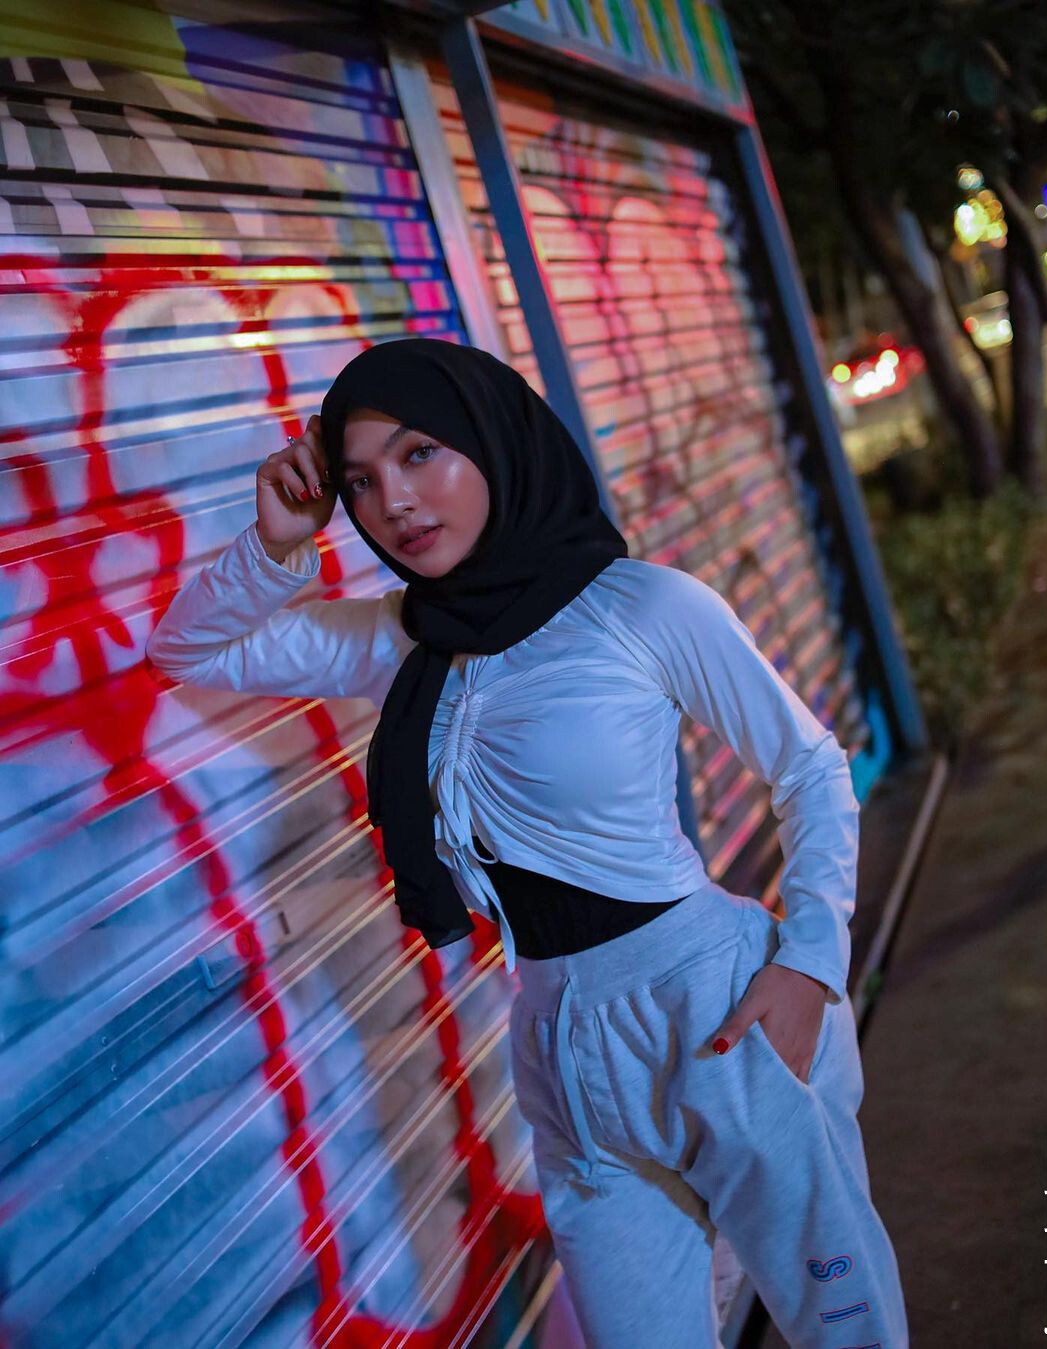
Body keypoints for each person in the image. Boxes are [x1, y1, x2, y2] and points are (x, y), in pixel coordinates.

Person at [145, 338, 909, 1348]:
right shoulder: (401, 639)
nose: (394, 501)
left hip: (717, 1009)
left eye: (421, 453)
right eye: (361, 480)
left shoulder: (641, 604)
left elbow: (808, 766)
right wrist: (276, 540)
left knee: (845, 1324)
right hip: (556, 1039)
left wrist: (810, 961)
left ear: (494, 442)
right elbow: (187, 648)